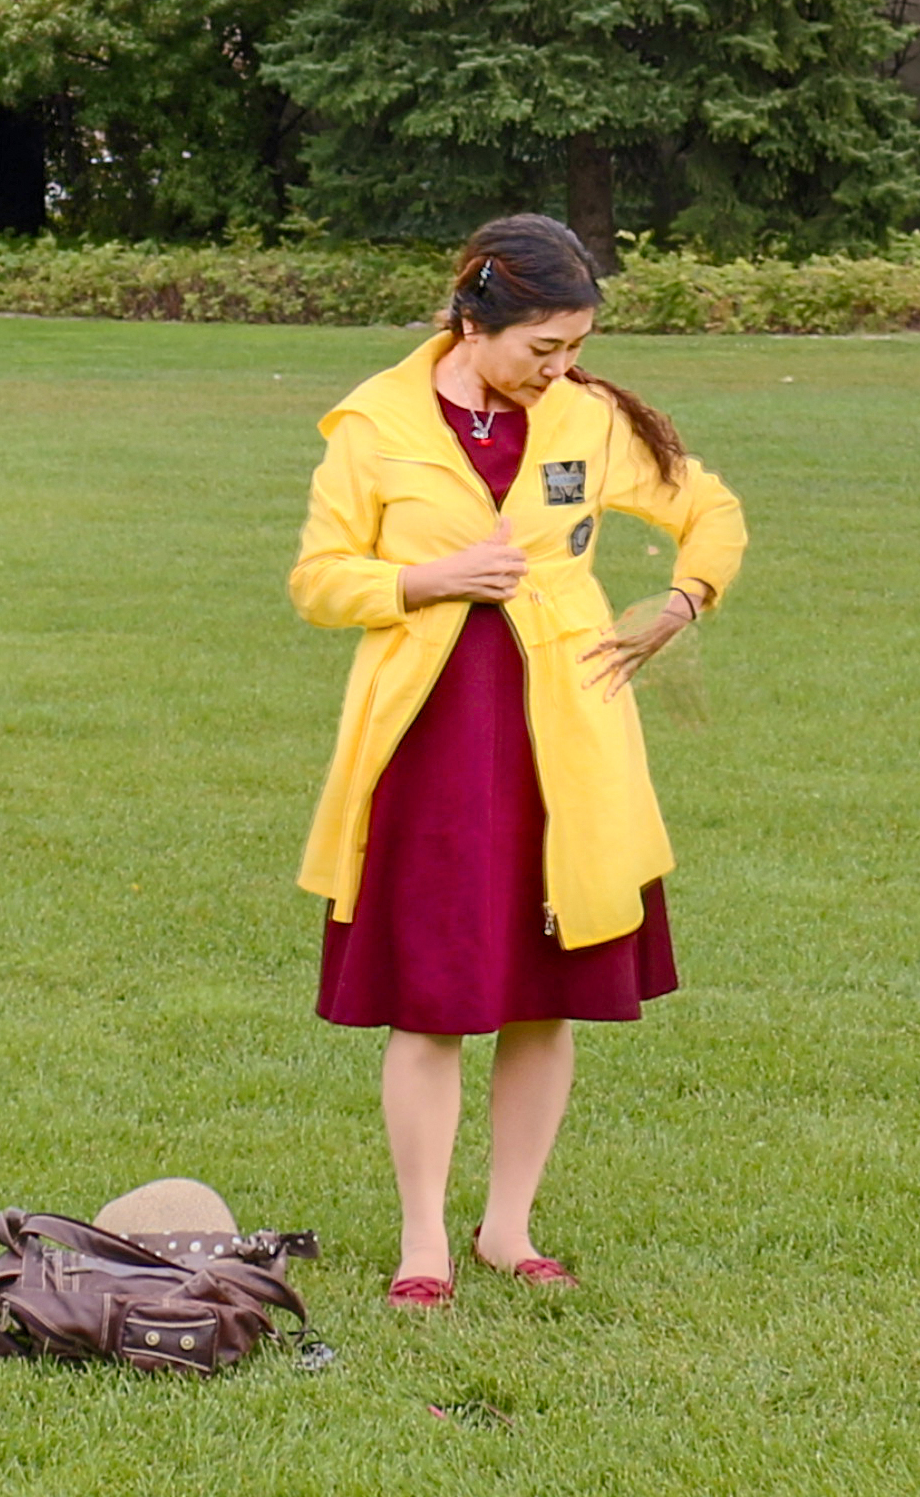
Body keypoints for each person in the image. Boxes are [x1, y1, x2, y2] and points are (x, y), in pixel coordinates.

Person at [290, 212, 746, 1307]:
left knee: (546, 991)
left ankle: (507, 1229)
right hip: (430, 739)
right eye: (544, 347)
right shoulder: (374, 423)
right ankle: (422, 1246)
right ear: (473, 321)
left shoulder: (588, 417)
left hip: (567, 741)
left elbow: (710, 509)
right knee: (429, 998)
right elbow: (318, 579)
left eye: (576, 347)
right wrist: (423, 581)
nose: (562, 369)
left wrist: (682, 601)